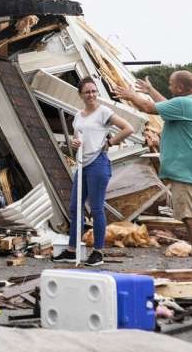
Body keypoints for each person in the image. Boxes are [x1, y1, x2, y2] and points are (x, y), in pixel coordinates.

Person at [114, 71, 192, 268]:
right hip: (187, 170)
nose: (169, 87)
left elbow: (148, 107)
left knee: (191, 218)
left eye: (171, 84)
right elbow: (165, 102)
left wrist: (131, 95)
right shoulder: (189, 103)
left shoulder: (186, 104)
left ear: (180, 88)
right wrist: (150, 90)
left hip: (186, 171)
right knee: (189, 217)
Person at [52, 78, 134, 266]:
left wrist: (109, 143)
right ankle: (72, 250)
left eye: (94, 91)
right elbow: (76, 139)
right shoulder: (79, 116)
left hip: (98, 163)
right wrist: (74, 144)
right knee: (75, 208)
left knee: (96, 209)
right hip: (83, 164)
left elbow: (128, 128)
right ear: (80, 95)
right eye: (87, 92)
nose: (91, 95)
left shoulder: (103, 112)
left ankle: (98, 252)